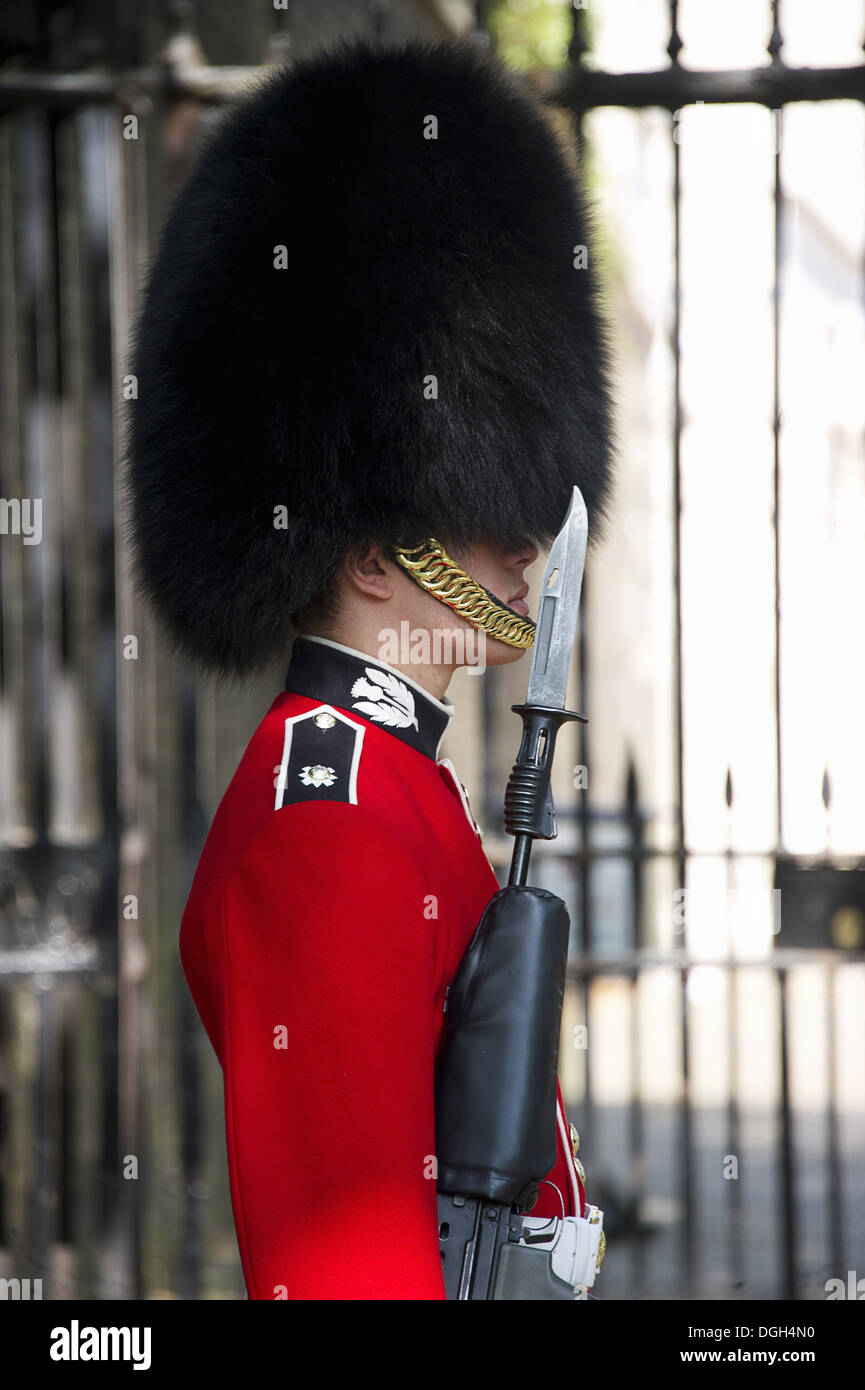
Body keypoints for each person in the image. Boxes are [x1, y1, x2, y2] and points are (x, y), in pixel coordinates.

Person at [128, 34, 614, 1299]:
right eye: (474, 500)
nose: (521, 543)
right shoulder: (329, 830)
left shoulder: (401, 794)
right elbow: (353, 1265)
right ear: (367, 544)